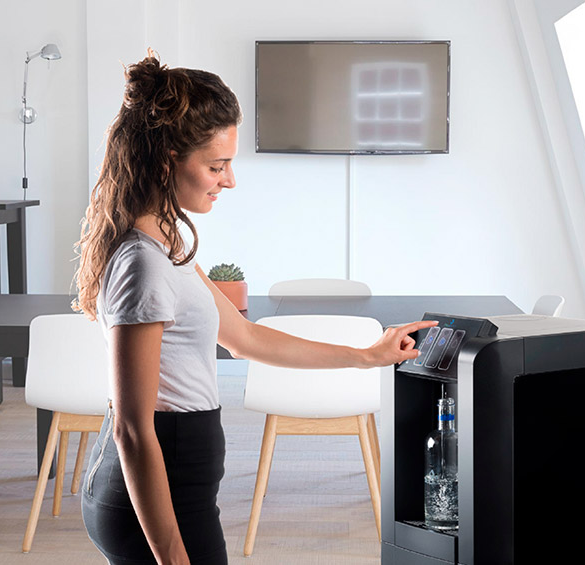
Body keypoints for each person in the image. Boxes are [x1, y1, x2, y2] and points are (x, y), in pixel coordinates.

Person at [74, 52, 437, 565]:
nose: (229, 180)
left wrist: (365, 355)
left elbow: (246, 338)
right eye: (216, 166)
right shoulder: (145, 263)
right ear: (166, 161)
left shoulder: (166, 243)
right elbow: (133, 430)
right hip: (160, 497)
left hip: (180, 484)